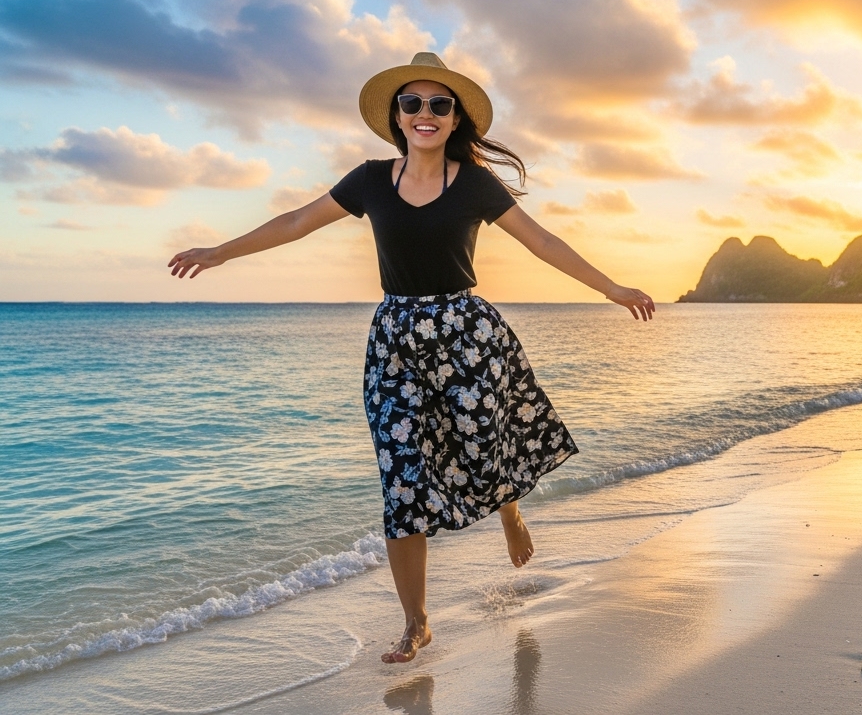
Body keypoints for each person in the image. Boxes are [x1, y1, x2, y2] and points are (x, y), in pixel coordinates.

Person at [168, 52, 654, 664]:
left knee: (483, 448)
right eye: (412, 103)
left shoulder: (474, 183)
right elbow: (296, 222)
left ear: (455, 119)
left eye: (439, 104)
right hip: (395, 342)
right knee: (402, 481)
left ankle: (509, 510)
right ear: (397, 117)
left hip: (465, 333)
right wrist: (219, 252)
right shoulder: (371, 180)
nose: (426, 113)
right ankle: (416, 623)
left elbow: (541, 240)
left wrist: (611, 288)